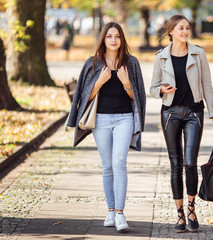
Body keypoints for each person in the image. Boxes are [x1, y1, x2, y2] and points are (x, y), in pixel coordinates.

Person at [67, 22, 146, 232]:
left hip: (124, 119)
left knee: (119, 162)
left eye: (117, 36)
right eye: (109, 36)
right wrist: (100, 81)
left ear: (122, 40)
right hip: (100, 120)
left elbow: (137, 98)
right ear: (103, 39)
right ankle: (110, 210)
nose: (113, 39)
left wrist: (125, 82)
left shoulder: (132, 63)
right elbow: (85, 97)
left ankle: (120, 213)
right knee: (107, 166)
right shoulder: (93, 63)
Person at [150, 15, 213, 233]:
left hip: (194, 114)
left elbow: (207, 86)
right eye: (181, 28)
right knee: (175, 164)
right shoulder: (161, 57)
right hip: (170, 114)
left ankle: (192, 209)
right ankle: (179, 213)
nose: (185, 32)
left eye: (187, 28)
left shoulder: (198, 53)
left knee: (190, 163)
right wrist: (162, 90)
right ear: (171, 31)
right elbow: (152, 88)